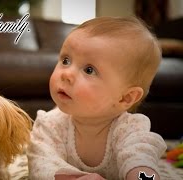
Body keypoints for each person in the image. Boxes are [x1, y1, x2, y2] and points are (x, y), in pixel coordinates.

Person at [27, 16, 167, 180]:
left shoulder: (129, 129)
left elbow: (141, 161)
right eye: (65, 60)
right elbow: (41, 165)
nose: (66, 74)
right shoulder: (49, 124)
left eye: (89, 70)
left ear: (125, 98)